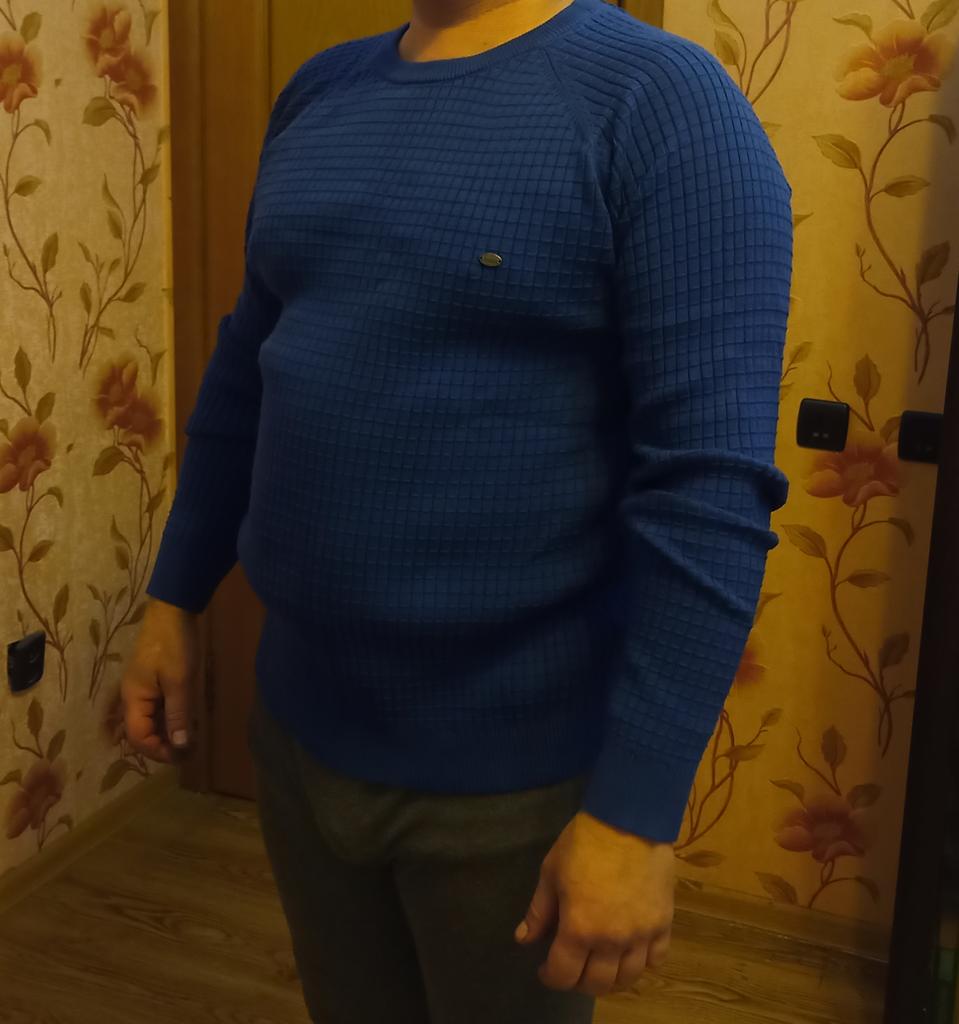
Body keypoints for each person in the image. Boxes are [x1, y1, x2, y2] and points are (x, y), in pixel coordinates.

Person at [120, 0, 793, 1021]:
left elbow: (708, 488)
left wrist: (634, 812)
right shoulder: (319, 92)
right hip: (297, 732)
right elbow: (246, 377)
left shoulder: (661, 103)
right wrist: (174, 596)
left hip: (513, 779)